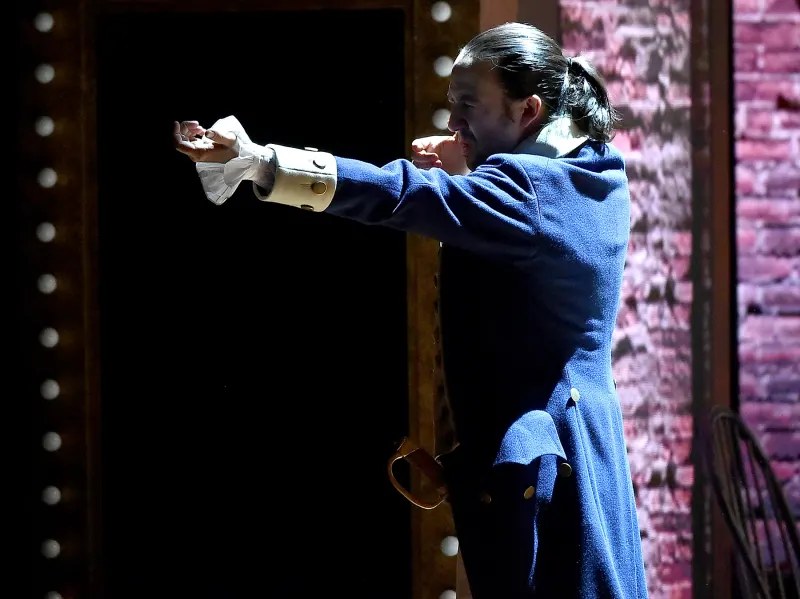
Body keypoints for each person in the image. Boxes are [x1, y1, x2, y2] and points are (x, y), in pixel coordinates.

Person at [173, 22, 647, 599]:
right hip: (582, 449)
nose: (453, 123)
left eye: (469, 106)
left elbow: (404, 194)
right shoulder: (594, 168)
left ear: (528, 110)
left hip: (552, 475)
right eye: (453, 104)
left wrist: (263, 162)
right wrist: (476, 160)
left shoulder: (530, 192)